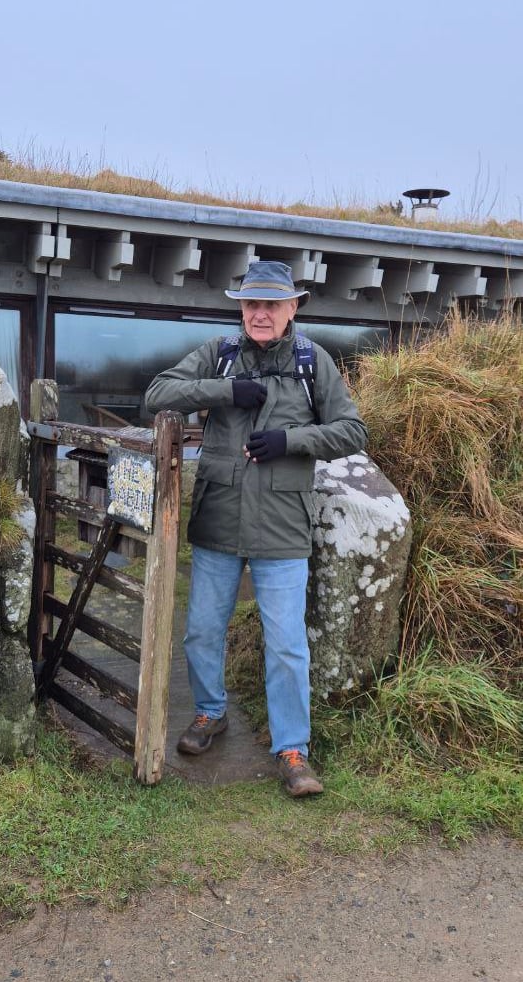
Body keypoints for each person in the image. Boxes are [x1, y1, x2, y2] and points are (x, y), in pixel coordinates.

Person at [145, 261, 367, 797]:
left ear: (293, 308)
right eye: (251, 304)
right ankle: (209, 713)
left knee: (287, 644)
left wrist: (291, 441)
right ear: (240, 308)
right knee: (200, 629)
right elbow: (157, 393)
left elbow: (352, 430)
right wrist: (226, 391)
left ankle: (293, 749)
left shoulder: (316, 362)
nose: (259, 314)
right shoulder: (219, 354)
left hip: (283, 526)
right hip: (219, 518)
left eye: (271, 304)